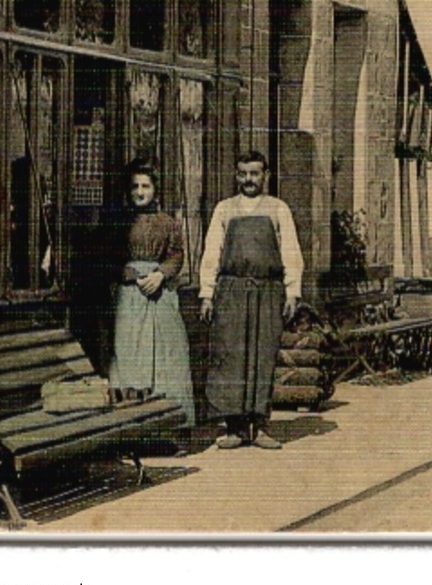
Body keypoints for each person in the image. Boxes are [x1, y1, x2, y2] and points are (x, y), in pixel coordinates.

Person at [199, 151, 303, 449]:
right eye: (243, 173)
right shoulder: (224, 209)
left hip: (267, 291)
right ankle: (233, 427)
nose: (248, 179)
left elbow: (291, 253)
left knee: (262, 356)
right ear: (236, 174)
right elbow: (211, 254)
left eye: (255, 173)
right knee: (231, 356)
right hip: (231, 291)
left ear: (265, 176)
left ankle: (260, 426)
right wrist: (207, 294)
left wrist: (292, 291)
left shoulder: (278, 209)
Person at [106, 163, 196, 426]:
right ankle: (131, 427)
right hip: (130, 299)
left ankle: (170, 425)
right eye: (135, 186)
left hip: (160, 296)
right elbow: (107, 258)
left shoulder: (167, 222)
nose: (140, 192)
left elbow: (177, 255)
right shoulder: (118, 222)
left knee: (166, 357)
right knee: (130, 357)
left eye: (145, 186)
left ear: (155, 191)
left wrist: (160, 274)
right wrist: (130, 274)